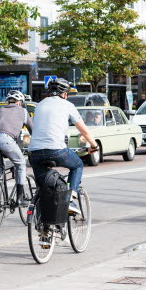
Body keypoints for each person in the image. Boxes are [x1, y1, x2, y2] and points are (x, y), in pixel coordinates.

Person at [28, 78, 98, 215]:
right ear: (65, 94)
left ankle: (43, 227)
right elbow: (84, 131)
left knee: (43, 189)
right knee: (77, 165)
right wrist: (94, 146)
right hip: (56, 150)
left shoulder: (40, 105)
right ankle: (69, 199)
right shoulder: (67, 105)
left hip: (34, 152)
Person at [0, 90, 33, 208]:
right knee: (20, 163)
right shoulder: (23, 111)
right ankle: (19, 199)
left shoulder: (0, 110)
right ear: (20, 102)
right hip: (5, 139)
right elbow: (33, 130)